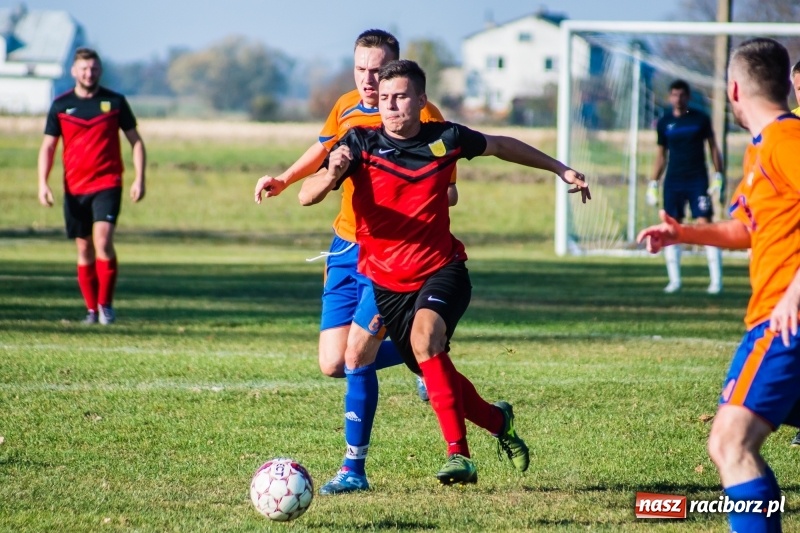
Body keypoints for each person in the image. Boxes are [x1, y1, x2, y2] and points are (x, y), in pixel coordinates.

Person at [300, 59, 590, 484]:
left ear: (421, 101)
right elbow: (308, 196)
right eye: (384, 99)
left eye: (400, 97)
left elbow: (501, 145)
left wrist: (560, 168)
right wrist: (333, 173)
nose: (391, 106)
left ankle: (459, 456)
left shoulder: (447, 138)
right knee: (371, 357)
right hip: (386, 282)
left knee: (424, 341)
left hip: (442, 271)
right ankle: (496, 421)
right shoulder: (359, 143)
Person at [254, 29, 456, 495]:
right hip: (345, 245)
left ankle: (354, 469)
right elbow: (323, 148)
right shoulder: (346, 105)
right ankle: (424, 357)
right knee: (332, 363)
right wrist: (285, 180)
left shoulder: (421, 114)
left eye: (376, 69)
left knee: (356, 355)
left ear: (395, 68)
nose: (368, 79)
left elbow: (448, 182)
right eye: (360, 69)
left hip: (391, 253)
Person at [638, 38, 800, 532]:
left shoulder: (785, 141)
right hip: (776, 314)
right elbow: (747, 231)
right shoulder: (763, 147)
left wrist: (794, 293)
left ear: (733, 88)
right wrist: (682, 233)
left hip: (784, 318)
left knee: (730, 442)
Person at [38, 47, 146, 325]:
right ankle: (90, 310)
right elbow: (48, 147)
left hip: (108, 182)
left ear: (100, 70)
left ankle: (106, 307)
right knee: (84, 248)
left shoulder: (115, 102)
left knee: (103, 240)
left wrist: (139, 178)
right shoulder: (61, 106)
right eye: (84, 68)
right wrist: (43, 183)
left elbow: (136, 141)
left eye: (94, 68)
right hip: (74, 187)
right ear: (74, 71)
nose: (89, 73)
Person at [646, 79, 725, 294]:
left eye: (682, 95)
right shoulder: (664, 122)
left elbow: (713, 148)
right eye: (674, 95)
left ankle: (716, 281)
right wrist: (653, 183)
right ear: (670, 97)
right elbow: (661, 155)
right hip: (673, 180)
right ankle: (674, 281)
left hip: (697, 179)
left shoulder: (700, 119)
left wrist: (718, 175)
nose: (678, 99)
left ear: (688, 97)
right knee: (672, 227)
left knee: (705, 224)